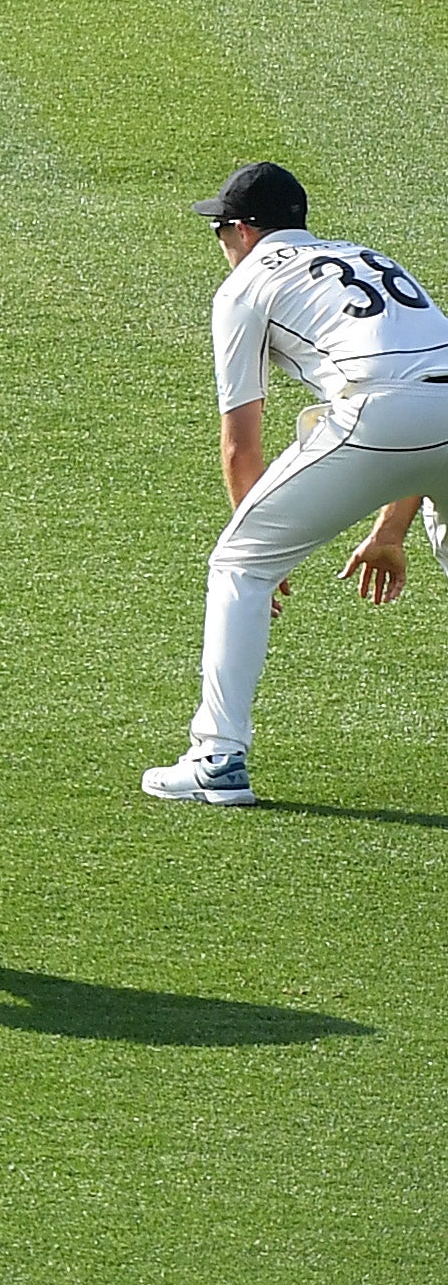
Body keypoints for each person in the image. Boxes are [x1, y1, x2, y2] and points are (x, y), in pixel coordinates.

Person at [146, 162, 448, 805]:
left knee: (237, 565)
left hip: (379, 411)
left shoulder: (245, 286)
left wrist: (267, 553)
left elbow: (241, 443)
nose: (222, 245)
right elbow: (430, 394)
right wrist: (391, 530)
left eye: (221, 230)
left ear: (245, 230)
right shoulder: (368, 255)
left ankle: (217, 759)